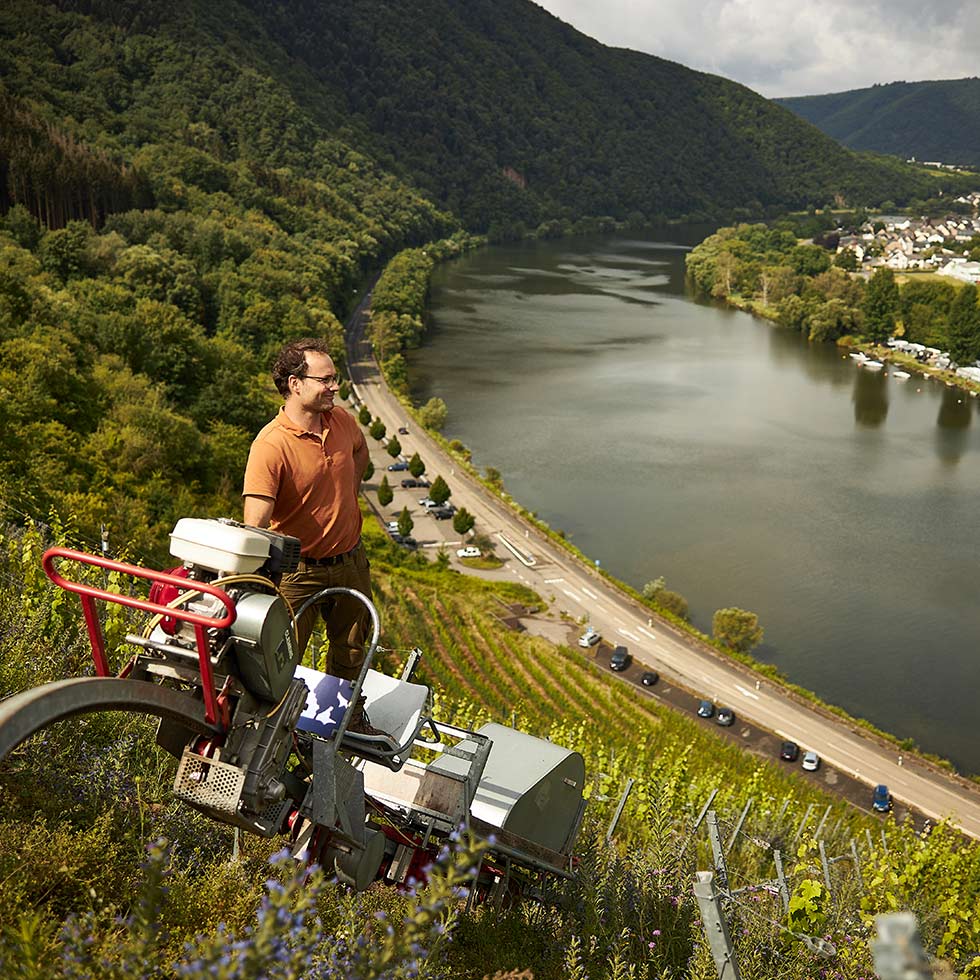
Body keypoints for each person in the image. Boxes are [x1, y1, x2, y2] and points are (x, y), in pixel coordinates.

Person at [243, 337, 385, 736]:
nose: (334, 387)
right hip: (296, 573)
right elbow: (255, 524)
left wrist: (347, 498)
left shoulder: (342, 422)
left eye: (335, 378)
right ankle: (275, 734)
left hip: (350, 561)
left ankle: (348, 722)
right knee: (280, 658)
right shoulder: (271, 446)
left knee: (354, 648)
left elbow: (360, 451)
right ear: (295, 384)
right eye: (326, 380)